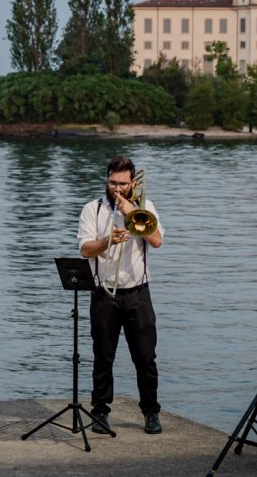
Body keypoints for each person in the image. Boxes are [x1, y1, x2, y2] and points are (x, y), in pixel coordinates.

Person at [78, 156, 165, 435]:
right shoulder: (93, 209)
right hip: (104, 293)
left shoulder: (145, 207)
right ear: (106, 180)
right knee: (103, 357)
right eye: (113, 183)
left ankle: (151, 412)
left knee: (145, 358)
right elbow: (85, 250)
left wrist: (131, 212)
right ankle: (100, 412)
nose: (117, 189)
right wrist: (107, 241)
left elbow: (157, 241)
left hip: (138, 293)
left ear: (133, 183)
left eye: (123, 184)